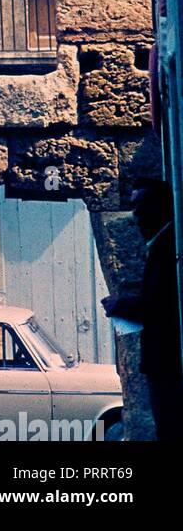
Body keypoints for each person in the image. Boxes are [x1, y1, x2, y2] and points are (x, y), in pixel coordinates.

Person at [102, 179, 182, 440]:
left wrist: (121, 305)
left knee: (169, 426)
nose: (135, 215)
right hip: (165, 359)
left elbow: (161, 306)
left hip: (167, 360)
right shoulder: (163, 244)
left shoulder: (167, 247)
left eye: (140, 206)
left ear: (158, 207)